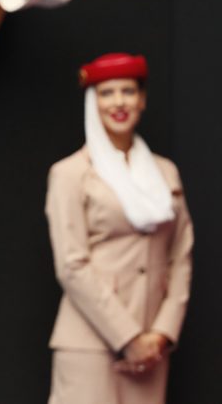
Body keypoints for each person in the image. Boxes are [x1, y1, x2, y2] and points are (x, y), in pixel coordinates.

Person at [45, 53, 193, 404]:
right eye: (107, 93)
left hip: (152, 346)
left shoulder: (166, 172)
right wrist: (129, 338)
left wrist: (160, 333)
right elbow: (72, 265)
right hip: (91, 343)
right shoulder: (69, 173)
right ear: (92, 102)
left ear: (142, 99)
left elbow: (181, 255)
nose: (119, 102)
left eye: (128, 91)